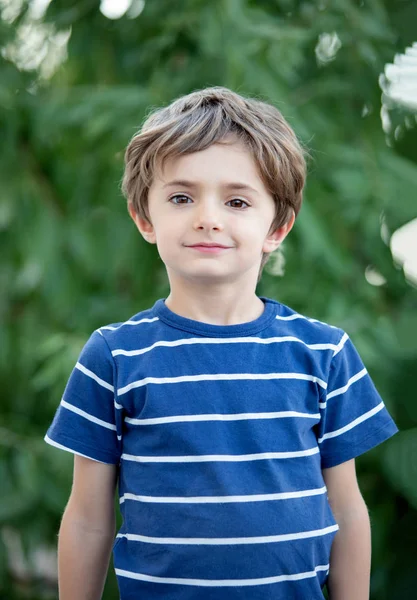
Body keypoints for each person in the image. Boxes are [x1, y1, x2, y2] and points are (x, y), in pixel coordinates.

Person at [45, 86, 398, 600]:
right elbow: (88, 518)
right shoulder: (114, 358)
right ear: (145, 218)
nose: (207, 217)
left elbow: (345, 507)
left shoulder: (324, 353)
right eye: (181, 197)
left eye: (236, 201)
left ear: (276, 226)